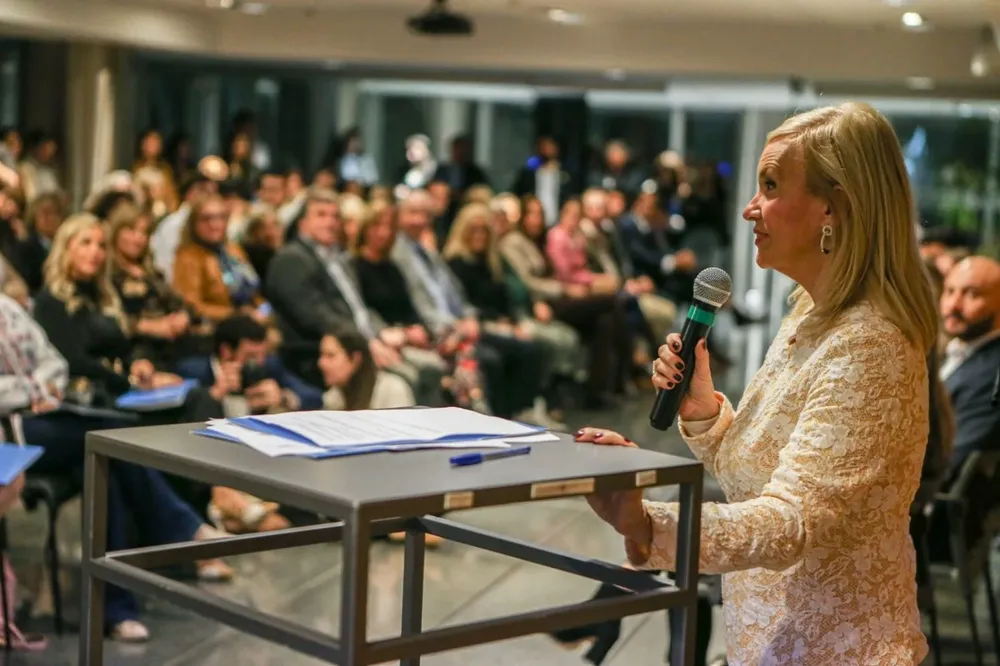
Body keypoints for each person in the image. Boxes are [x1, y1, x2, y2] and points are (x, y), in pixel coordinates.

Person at [578, 102, 939, 665]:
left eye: (770, 186)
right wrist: (702, 411)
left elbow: (792, 522)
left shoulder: (869, 343)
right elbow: (757, 476)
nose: (750, 209)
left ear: (834, 208)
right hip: (770, 641)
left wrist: (649, 522)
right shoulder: (809, 316)